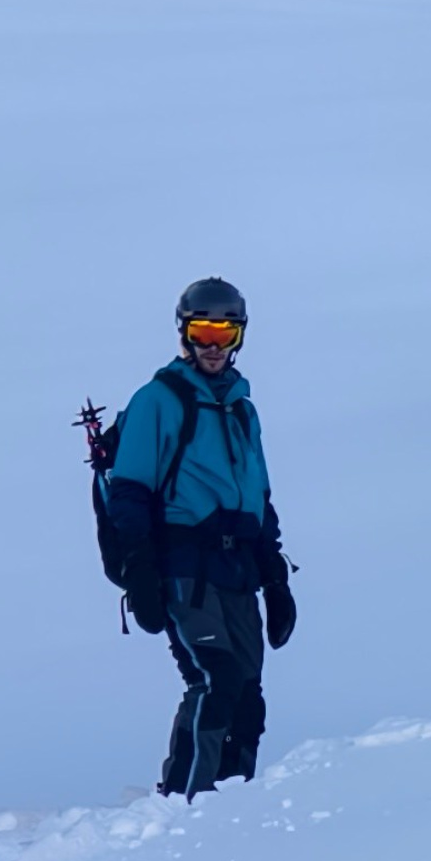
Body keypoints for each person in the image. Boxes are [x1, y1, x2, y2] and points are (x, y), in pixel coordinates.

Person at [107, 277, 295, 796]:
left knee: (248, 694)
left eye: (225, 334)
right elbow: (130, 489)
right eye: (203, 332)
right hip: (183, 564)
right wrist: (140, 568)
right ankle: (187, 810)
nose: (213, 347)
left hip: (238, 568)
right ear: (184, 334)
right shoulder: (158, 400)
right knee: (216, 680)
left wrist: (275, 576)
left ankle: (235, 803)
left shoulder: (242, 409)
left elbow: (257, 494)